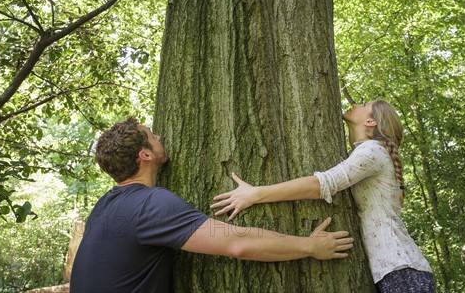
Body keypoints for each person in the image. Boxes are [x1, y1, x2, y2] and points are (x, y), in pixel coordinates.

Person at [69, 117, 353, 293]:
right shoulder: (150, 203)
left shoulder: (104, 205)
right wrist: (310, 246)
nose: (160, 137)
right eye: (153, 135)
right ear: (145, 154)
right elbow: (236, 243)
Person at [212, 100, 436, 293]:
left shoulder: (372, 151)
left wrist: (256, 194)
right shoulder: (372, 151)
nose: (356, 104)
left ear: (371, 122)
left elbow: (323, 184)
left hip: (401, 269)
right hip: (396, 270)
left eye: (364, 105)